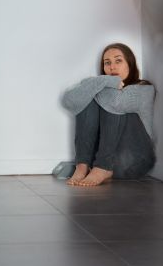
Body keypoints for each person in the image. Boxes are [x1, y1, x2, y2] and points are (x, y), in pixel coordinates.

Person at [61, 43, 155, 187]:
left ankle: (102, 167)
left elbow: (116, 102)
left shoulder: (144, 88)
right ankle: (82, 165)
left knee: (106, 99)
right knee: (86, 100)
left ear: (130, 64)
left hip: (134, 160)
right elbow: (69, 101)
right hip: (103, 160)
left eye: (118, 61)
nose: (112, 67)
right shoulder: (104, 83)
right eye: (107, 63)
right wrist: (104, 81)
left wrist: (92, 84)